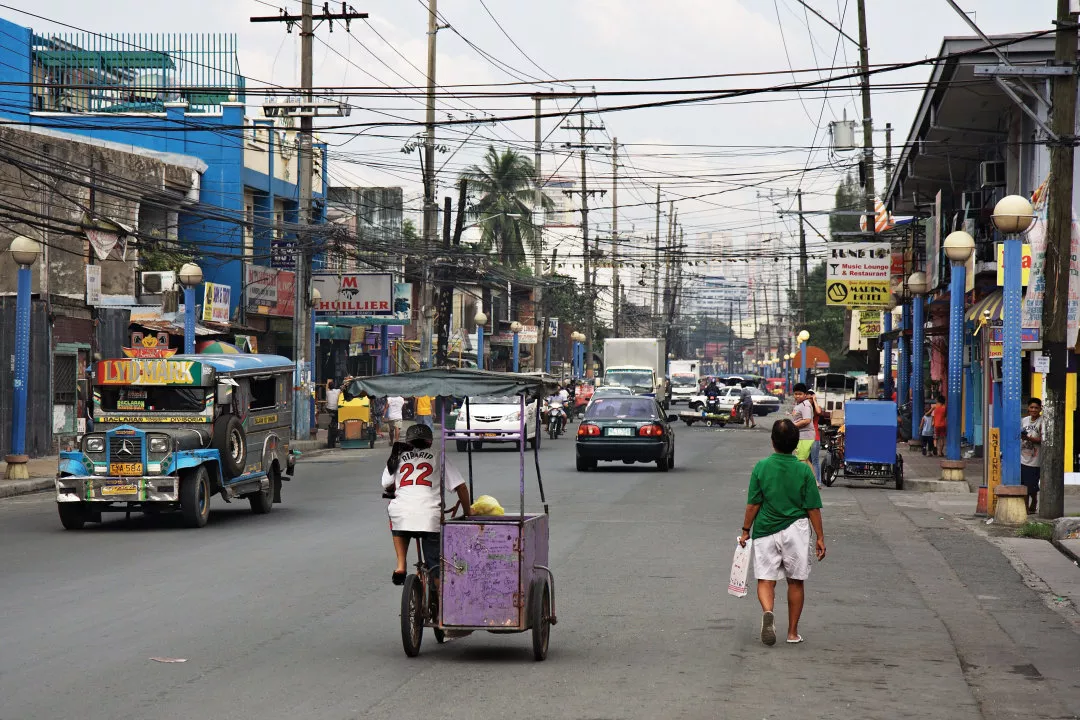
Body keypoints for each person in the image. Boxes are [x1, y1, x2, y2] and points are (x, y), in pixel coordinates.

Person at [739, 419, 825, 646]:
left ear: (772, 442)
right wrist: (820, 537)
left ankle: (768, 611)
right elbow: (812, 508)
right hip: (796, 529)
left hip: (766, 529)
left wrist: (746, 530)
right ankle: (792, 632)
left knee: (766, 579)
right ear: (796, 443)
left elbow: (753, 505)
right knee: (796, 581)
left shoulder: (761, 467)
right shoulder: (804, 471)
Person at [382, 424, 471, 585]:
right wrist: (468, 512)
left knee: (397, 517)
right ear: (429, 442)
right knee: (435, 566)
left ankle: (401, 565)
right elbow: (461, 487)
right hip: (430, 515)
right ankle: (438, 591)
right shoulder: (438, 456)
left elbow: (386, 483)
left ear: (408, 442)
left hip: (401, 512)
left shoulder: (399, 456)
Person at [1021, 398, 1044, 513]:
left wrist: (1028, 438)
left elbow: (1042, 439)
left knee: (1032, 486)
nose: (1034, 410)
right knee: (1023, 485)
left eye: (1036, 407)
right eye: (1031, 407)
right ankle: (1025, 506)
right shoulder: (1024, 420)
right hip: (1023, 457)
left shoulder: (1043, 422)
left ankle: (1034, 502)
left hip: (1035, 459)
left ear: (1040, 409)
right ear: (1028, 408)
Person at [790, 383, 816, 475]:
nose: (797, 396)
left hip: (805, 436)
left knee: (801, 459)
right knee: (805, 459)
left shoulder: (805, 405)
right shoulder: (799, 405)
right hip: (801, 436)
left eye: (800, 394)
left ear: (805, 394)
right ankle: (814, 481)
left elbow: (807, 420)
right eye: (795, 394)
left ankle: (804, 480)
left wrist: (792, 426)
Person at [807, 390, 823, 487]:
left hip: (814, 437)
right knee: (806, 460)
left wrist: (814, 400)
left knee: (815, 460)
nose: (809, 400)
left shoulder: (815, 409)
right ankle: (810, 480)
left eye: (811, 398)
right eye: (807, 398)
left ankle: (817, 481)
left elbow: (819, 411)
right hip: (805, 438)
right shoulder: (804, 408)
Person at [325, 379, 342, 447]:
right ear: (334, 386)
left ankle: (332, 428)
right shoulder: (338, 391)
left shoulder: (327, 392)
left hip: (329, 409)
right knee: (339, 420)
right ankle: (338, 431)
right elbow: (342, 388)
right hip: (336, 409)